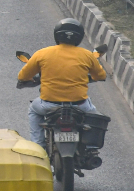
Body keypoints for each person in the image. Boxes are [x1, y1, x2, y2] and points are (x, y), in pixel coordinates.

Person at [17, 18, 106, 150]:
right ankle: (90, 147)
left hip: (48, 104)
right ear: (79, 37)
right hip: (79, 105)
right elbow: (101, 76)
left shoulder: (42, 53)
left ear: (57, 34)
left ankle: (38, 146)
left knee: (33, 110)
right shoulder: (87, 55)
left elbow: (23, 76)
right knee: (95, 117)